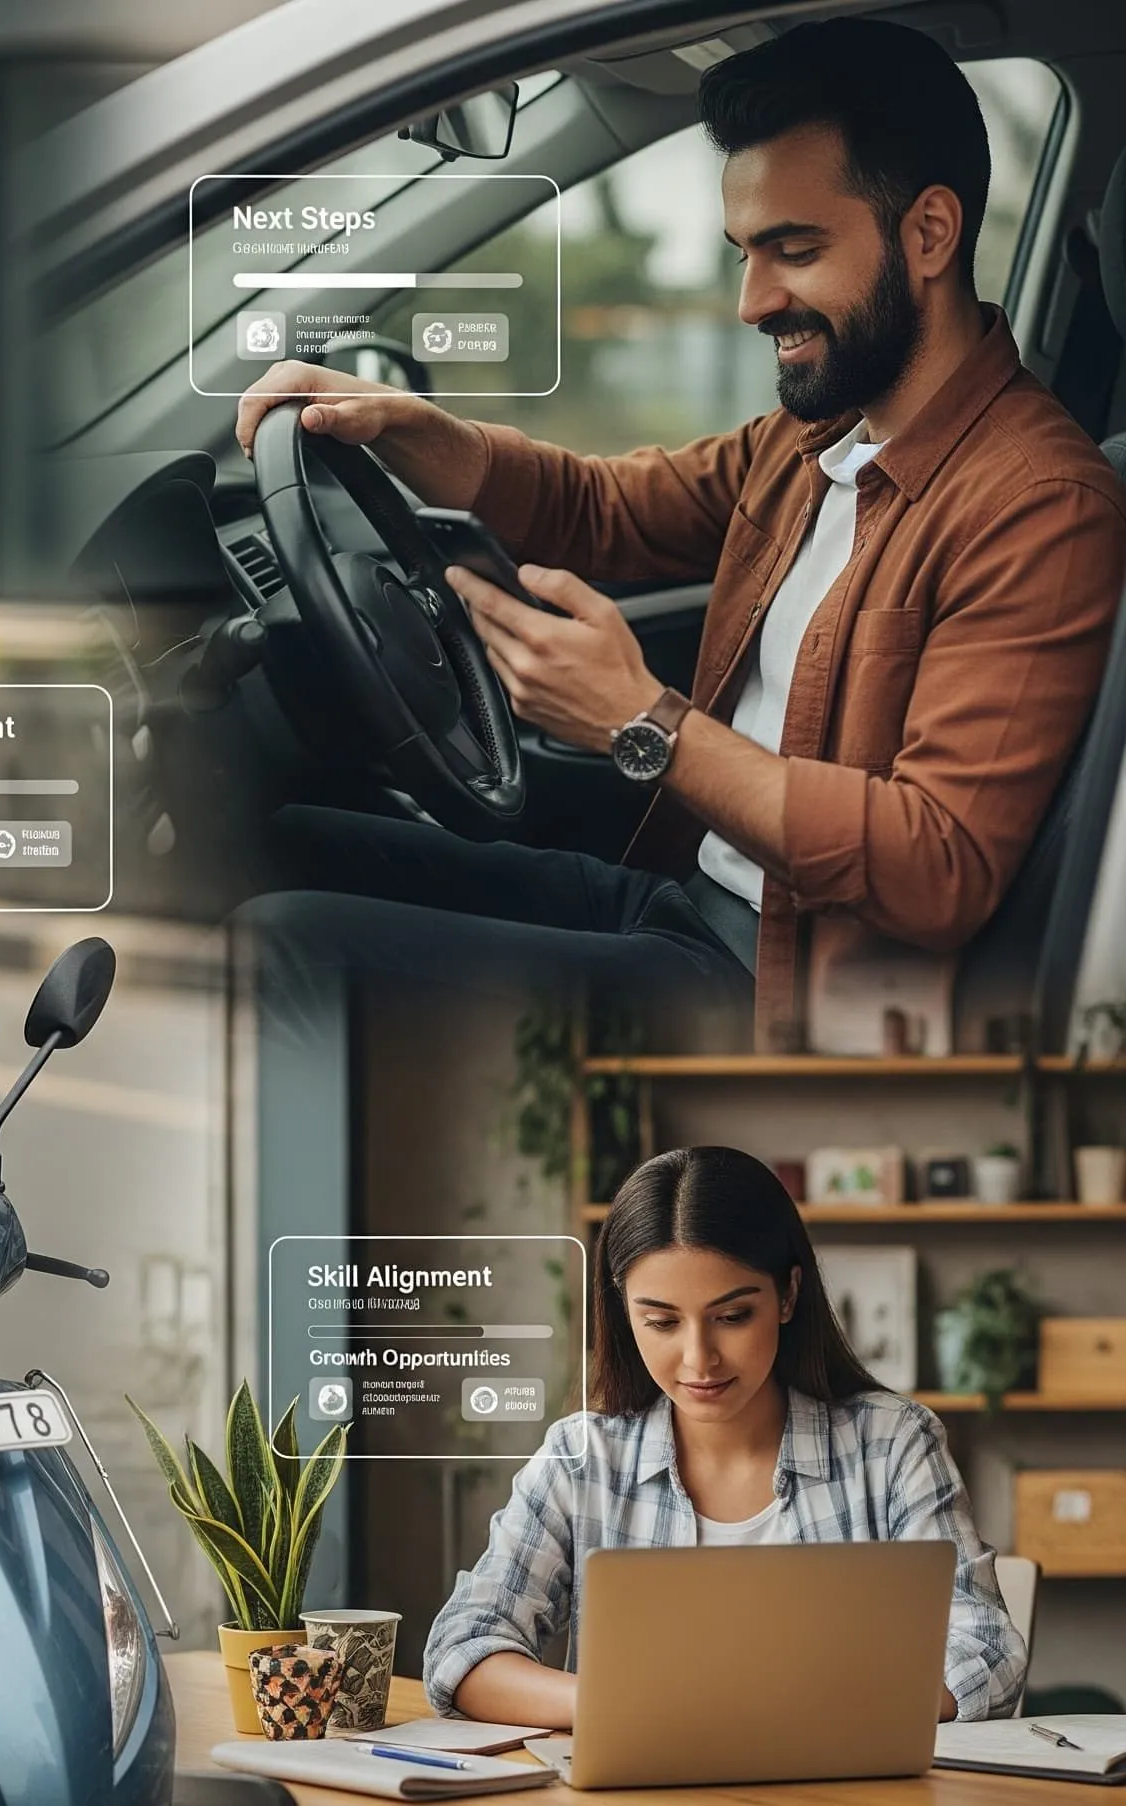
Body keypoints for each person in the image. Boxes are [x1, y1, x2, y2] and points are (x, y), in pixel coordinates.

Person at [235, 18, 1126, 1049]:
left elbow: (938, 868)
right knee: (282, 849)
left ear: (927, 234)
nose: (752, 301)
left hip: (776, 1006)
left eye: (793, 250)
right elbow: (596, 510)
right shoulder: (815, 441)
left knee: (281, 946)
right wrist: (410, 430)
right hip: (677, 900)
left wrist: (638, 718)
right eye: (744, 253)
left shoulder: (1038, 507)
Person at [423, 1145, 1024, 1726]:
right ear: (623, 1310)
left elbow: (987, 1653)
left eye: (733, 1317)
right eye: (660, 1321)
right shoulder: (581, 1461)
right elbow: (463, 1647)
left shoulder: (892, 1446)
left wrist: (808, 1712)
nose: (698, 1359)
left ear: (788, 1295)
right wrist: (626, 1706)